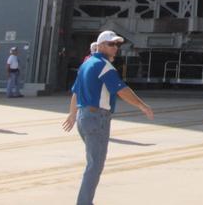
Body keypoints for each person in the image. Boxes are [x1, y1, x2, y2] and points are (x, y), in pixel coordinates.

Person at [63, 30, 154, 205]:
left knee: (93, 162)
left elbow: (75, 92)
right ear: (101, 46)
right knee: (95, 165)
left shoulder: (86, 64)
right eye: (112, 44)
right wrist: (142, 105)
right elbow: (121, 90)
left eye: (117, 44)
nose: (116, 48)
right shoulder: (105, 66)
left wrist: (73, 114)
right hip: (97, 118)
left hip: (84, 117)